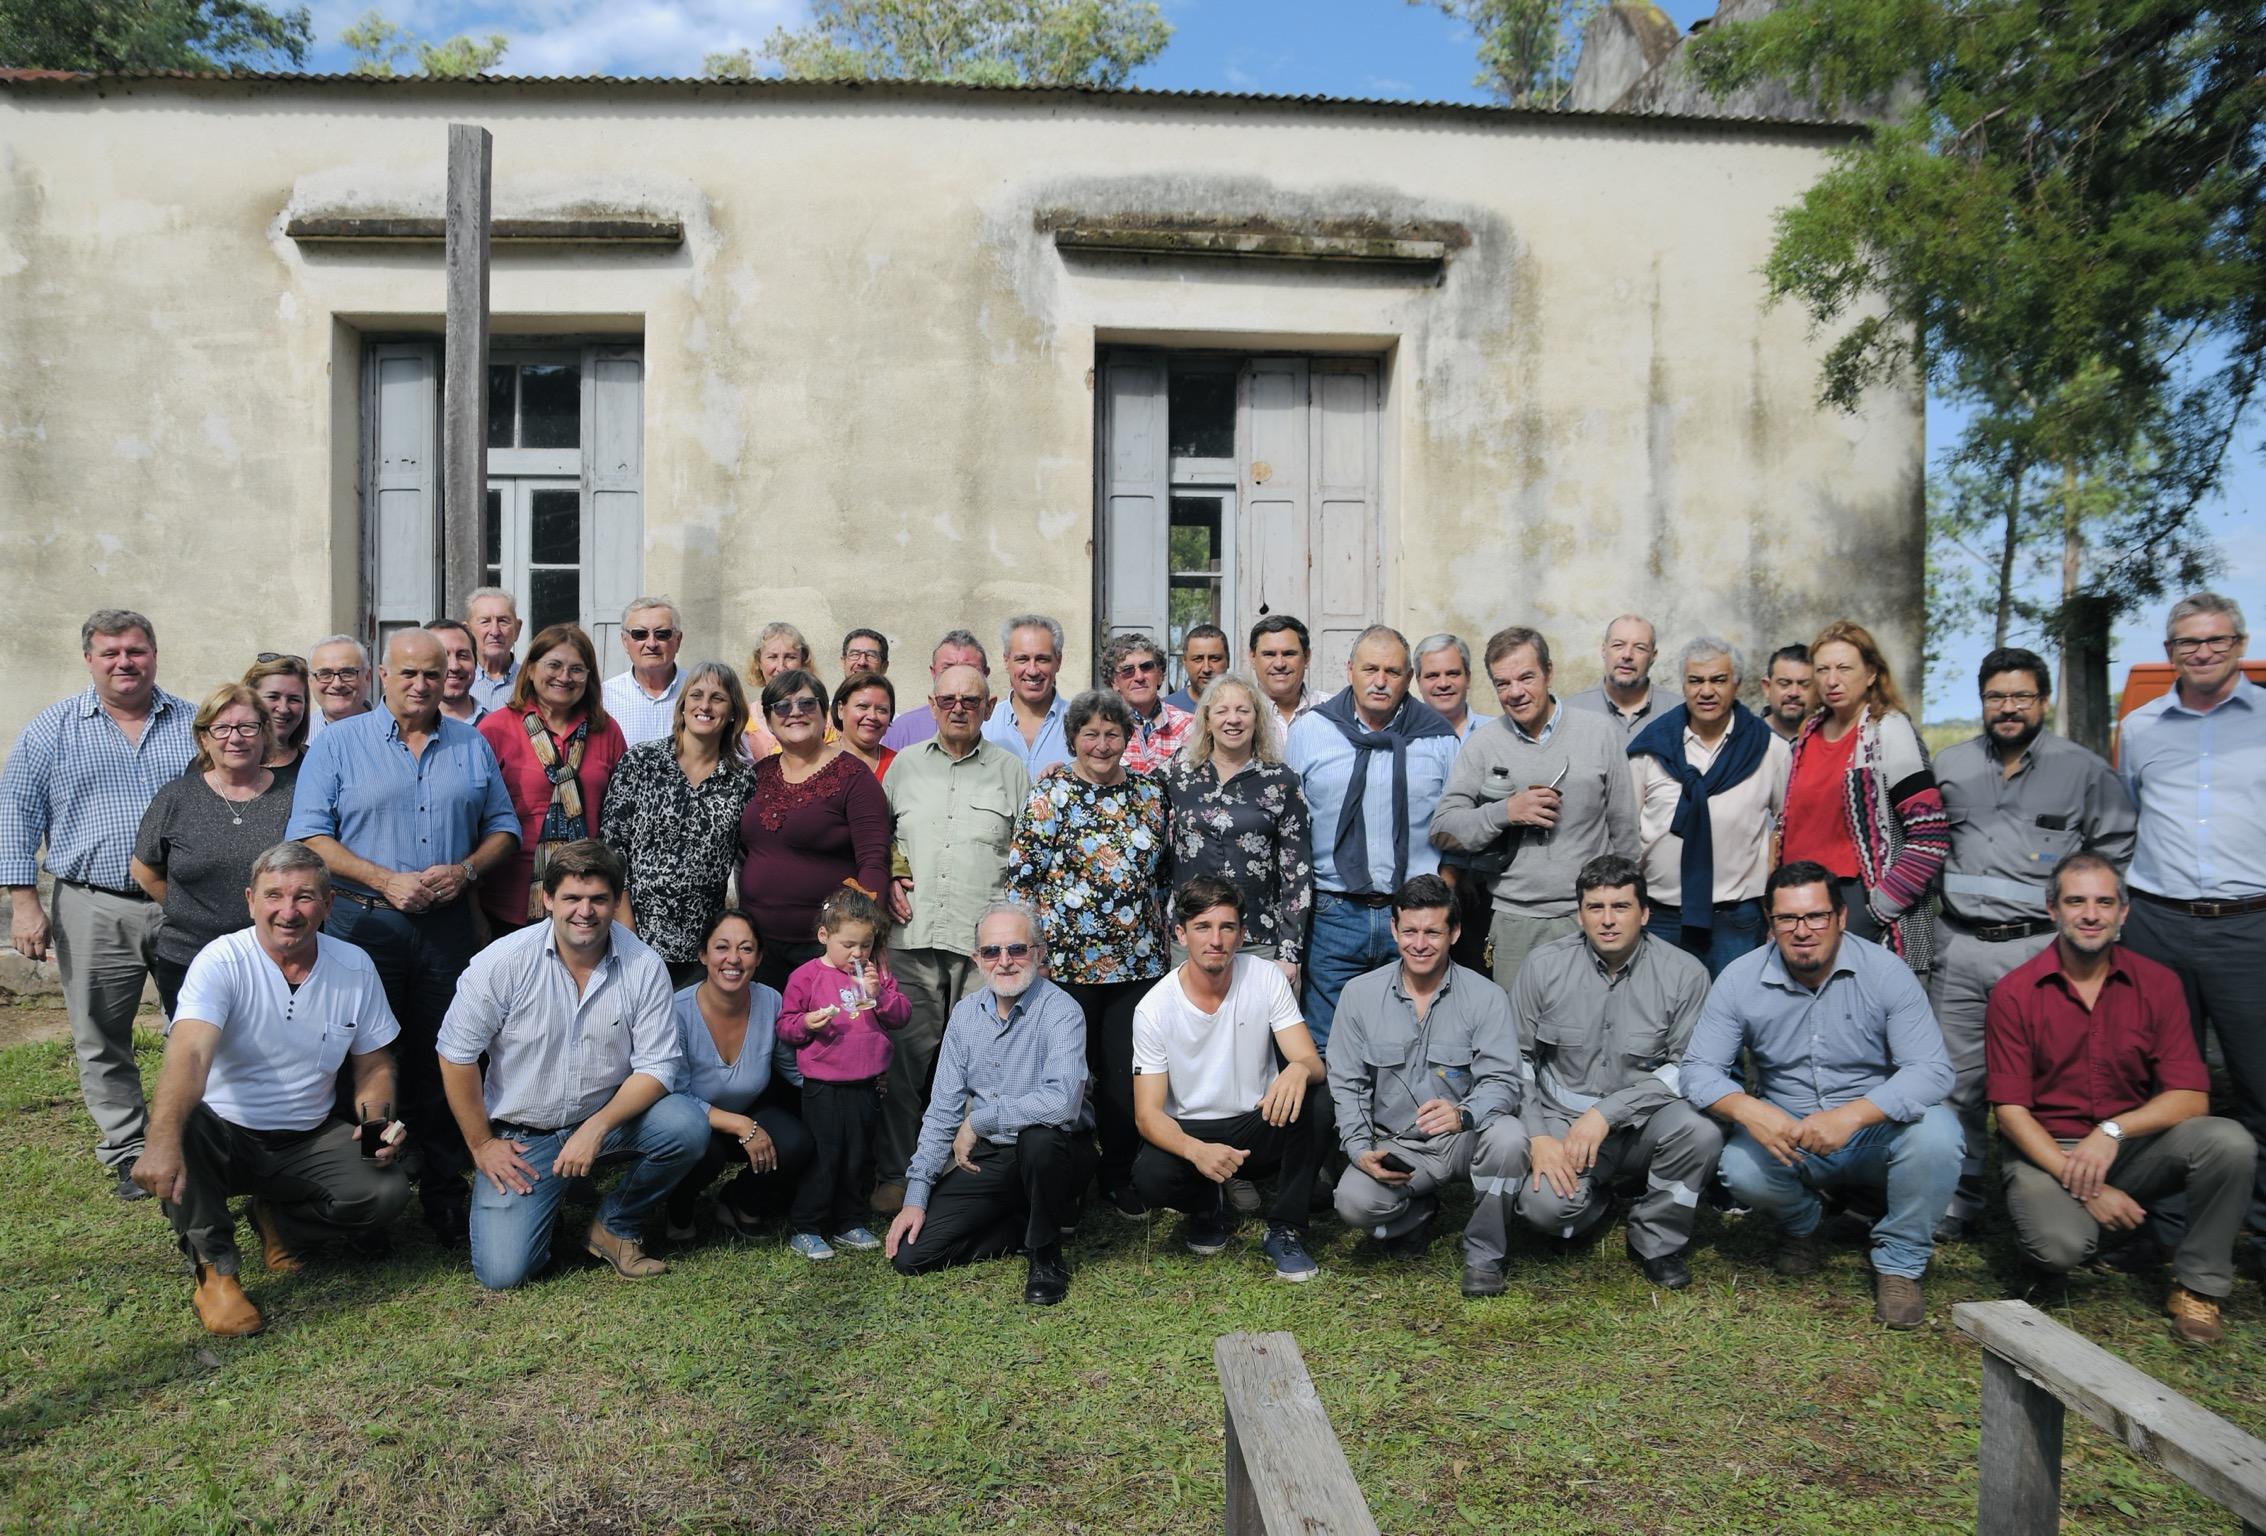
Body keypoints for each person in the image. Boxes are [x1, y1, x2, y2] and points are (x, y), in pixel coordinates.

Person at [285, 627, 519, 1242]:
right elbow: (309, 834)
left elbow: (504, 829)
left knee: (445, 1054)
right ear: (382, 676)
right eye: (408, 673)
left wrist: (467, 869)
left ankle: (444, 1188)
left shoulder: (470, 744)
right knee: (366, 1056)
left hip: (444, 927)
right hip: (362, 924)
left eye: (432, 674)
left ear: (448, 679)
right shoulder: (337, 744)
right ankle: (368, 1187)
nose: (420, 685)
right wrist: (385, 880)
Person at [130, 842, 411, 1336]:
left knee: (384, 1193)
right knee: (184, 1123)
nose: (288, 911)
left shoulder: (354, 966)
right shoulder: (222, 961)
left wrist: (373, 1128)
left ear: (327, 905)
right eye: (274, 895)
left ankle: (281, 1223)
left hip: (306, 1134)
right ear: (250, 901)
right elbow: (190, 1053)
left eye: (304, 897)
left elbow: (374, 1065)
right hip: (224, 1133)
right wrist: (159, 1139)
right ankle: (215, 1272)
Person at [1681, 862, 1961, 1329]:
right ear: (1770, 923)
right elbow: (1698, 1071)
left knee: (1938, 1136)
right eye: (1787, 919)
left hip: (1875, 1128)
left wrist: (1852, 1117)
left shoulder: (1886, 972)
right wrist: (1751, 1110)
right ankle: (1803, 1224)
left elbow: (1931, 1071)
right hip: (1790, 1133)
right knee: (1739, 1166)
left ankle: (1899, 1263)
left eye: (1816, 917)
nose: (1802, 931)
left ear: (1841, 918)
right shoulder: (1740, 978)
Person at [1986, 854, 2253, 1344]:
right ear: (2052, 910)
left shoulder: (2158, 983)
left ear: (2123, 913)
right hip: (2047, 1151)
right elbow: (2010, 1113)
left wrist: (2112, 1131)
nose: (2091, 914)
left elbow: (2192, 1097)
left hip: (2126, 1143)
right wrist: (2088, 1187)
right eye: (2076, 901)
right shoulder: (2015, 992)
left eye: (2104, 902)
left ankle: (2198, 1286)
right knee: (2060, 1250)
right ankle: (2077, 1226)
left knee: (2228, 1142)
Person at [1928, 646, 2134, 1239]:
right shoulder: (1951, 764)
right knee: (1956, 1081)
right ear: (1982, 702)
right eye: (1996, 696)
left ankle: (2047, 1197)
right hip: (1961, 946)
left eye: (2021, 696)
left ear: (2042, 701)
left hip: (2043, 950)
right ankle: (1957, 1200)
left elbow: (2114, 855)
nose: (2008, 708)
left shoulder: (2084, 770)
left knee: (2050, 1081)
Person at [437, 840, 705, 1290]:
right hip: (525, 1136)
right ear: (547, 899)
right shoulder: (501, 963)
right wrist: (482, 1146)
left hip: (610, 1121)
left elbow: (658, 1067)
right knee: (504, 1274)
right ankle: (543, 1205)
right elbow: (455, 1055)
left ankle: (615, 1226)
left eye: (599, 899)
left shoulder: (643, 965)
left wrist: (595, 1128)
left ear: (617, 901)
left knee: (686, 1125)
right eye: (572, 899)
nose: (586, 911)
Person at [1, 608, 196, 1199]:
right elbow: (16, 814)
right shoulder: (52, 728)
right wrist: (23, 904)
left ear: (154, 654)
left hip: (181, 903)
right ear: (89, 659)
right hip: (92, 904)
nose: (124, 663)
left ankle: (190, 1137)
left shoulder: (193, 723)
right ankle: (127, 1147)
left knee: (192, 1026)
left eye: (135, 651)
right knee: (99, 1034)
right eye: (110, 653)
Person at [2117, 591, 2266, 1260]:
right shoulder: (2143, 727)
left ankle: (2256, 1234)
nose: (2201, 652)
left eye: (2216, 640)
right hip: (2158, 924)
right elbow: (2129, 817)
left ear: (2240, 644)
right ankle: (2165, 1229)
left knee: (2258, 1083)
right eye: (2187, 643)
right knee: (2158, 1082)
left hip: (2249, 926)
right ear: (2169, 650)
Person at [1508, 856, 1718, 1289]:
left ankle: (1656, 1238)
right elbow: (1516, 1059)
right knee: (1545, 1210)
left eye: (1620, 907)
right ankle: (1594, 1202)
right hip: (1562, 1119)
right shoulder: (1543, 966)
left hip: (1645, 1119)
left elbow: (1688, 1068)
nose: (1607, 920)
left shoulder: (1685, 974)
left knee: (1702, 1132)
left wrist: (1608, 1112)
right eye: (1595, 907)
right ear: (1579, 913)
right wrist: (1538, 1135)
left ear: (1644, 913)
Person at [873, 663, 1030, 1215]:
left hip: (984, 949)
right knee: (905, 1062)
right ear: (932, 704)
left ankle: (962, 1173)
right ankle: (895, 1172)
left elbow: (1027, 858)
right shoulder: (904, 767)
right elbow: (881, 836)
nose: (958, 706)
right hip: (911, 937)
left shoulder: (1011, 771)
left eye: (971, 699)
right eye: (947, 698)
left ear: (988, 707)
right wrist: (891, 871)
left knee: (978, 1065)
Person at [1006, 688, 1169, 1215]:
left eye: (1113, 733)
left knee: (1124, 1078)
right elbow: (1023, 880)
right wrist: (1031, 955)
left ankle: (1120, 1174)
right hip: (1063, 966)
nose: (1101, 744)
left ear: (1128, 737)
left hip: (1136, 964)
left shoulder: (1150, 794)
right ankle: (1067, 1179)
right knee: (1066, 1076)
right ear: (1073, 737)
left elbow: (1163, 878)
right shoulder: (1050, 794)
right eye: (1090, 734)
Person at [1327, 875, 1528, 1297]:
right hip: (1398, 1144)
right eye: (1410, 931)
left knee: (1509, 1137)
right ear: (1394, 929)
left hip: (1465, 1137)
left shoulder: (1486, 997)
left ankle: (1484, 1255)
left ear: (1453, 933)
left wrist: (1463, 1114)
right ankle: (1416, 1214)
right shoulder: (1359, 995)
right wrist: (1360, 1149)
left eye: (1433, 932)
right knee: (1353, 1202)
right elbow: (1348, 1085)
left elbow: (1504, 1082)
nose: (1420, 944)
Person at [885, 902, 1094, 1306]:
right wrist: (916, 1196)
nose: (1004, 962)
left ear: (1038, 952)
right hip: (993, 1157)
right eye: (991, 952)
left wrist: (980, 1120)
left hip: (1059, 1151)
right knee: (913, 1255)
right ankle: (1025, 1222)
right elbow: (942, 1110)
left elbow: (1062, 1104)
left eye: (1016, 949)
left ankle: (1045, 1254)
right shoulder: (965, 1016)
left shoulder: (1062, 1011)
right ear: (976, 959)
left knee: (1039, 1140)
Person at [1130, 877, 1327, 1281]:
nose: (1215, 939)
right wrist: (1195, 1151)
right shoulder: (1153, 1008)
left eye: (1227, 927)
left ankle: (1285, 1227)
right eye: (1203, 927)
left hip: (1259, 1120)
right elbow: (1147, 1116)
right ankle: (1205, 1204)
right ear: (1181, 934)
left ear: (1241, 934)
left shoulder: (1266, 977)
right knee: (1149, 1177)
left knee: (1319, 1099)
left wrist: (1298, 1069)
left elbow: (1312, 1060)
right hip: (1193, 1129)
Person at [1430, 626, 1639, 990]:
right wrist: (1505, 812)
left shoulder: (1599, 733)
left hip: (1588, 914)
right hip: (1515, 920)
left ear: (1549, 672)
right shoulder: (1483, 744)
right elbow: (1444, 829)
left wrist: (1621, 911)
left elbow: (1625, 836)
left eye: (1526, 677)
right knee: (1517, 1037)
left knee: (1592, 1030)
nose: (1515, 692)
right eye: (1502, 683)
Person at [1284, 625, 1460, 1053]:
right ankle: (1338, 1123)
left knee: (1413, 1042)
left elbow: (1457, 826)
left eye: (1392, 671)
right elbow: (1289, 828)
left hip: (1416, 915)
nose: (1380, 681)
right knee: (1329, 1042)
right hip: (1334, 913)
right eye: (1370, 669)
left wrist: (1445, 893)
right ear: (1350, 671)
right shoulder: (1310, 731)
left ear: (1409, 678)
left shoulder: (1438, 738)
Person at [1780, 619, 1947, 971]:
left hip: (1857, 901)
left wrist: (1877, 909)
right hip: (1801, 903)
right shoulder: (1806, 735)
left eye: (1844, 668)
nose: (1831, 679)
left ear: (1871, 673)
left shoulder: (1888, 730)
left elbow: (1930, 836)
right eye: (1822, 669)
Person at [131, 684, 297, 1018]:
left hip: (278, 959)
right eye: (221, 728)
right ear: (204, 738)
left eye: (247, 727)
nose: (235, 738)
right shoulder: (176, 797)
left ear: (265, 733)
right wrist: (189, 910)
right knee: (198, 1060)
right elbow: (143, 868)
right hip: (190, 957)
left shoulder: (294, 796)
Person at [1626, 638, 1789, 977]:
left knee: (1735, 1018)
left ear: (1737, 684)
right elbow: (1626, 829)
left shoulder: (1769, 749)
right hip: (1661, 915)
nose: (1706, 691)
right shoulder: (1650, 749)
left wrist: (1779, 909)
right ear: (1683, 684)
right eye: (1696, 681)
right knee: (1661, 1019)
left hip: (1736, 918)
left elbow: (1789, 825)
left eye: (1718, 680)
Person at [736, 668, 891, 994]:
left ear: (825, 714)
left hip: (825, 952)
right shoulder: (757, 775)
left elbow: (874, 862)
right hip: (758, 946)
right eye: (782, 706)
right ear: (768, 719)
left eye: (806, 704)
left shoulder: (853, 777)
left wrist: (864, 941)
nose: (794, 713)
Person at [661, 910, 814, 1239]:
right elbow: (673, 1093)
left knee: (795, 1141)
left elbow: (793, 1069)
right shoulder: (677, 1010)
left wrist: (846, 1076)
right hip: (692, 1118)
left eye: (745, 948)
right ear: (703, 954)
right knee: (700, 1143)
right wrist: (740, 1125)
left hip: (747, 1111)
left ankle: (740, 1202)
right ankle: (678, 1207)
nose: (733, 959)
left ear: (759, 957)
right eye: (721, 947)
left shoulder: (770, 1000)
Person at [604, 661, 758, 987]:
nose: (705, 705)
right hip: (636, 935)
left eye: (717, 698)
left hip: (703, 946)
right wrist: (625, 924)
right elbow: (612, 847)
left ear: (732, 711)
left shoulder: (742, 780)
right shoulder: (641, 761)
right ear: (683, 705)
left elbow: (748, 857)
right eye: (697, 695)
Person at [777, 888, 909, 1258]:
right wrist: (806, 1023)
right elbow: (785, 1027)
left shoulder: (876, 973)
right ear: (824, 936)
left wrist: (878, 993)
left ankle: (849, 1220)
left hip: (867, 1083)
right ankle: (807, 1225)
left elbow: (901, 1016)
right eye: (848, 944)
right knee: (825, 1155)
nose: (857, 953)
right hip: (824, 1085)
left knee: (859, 1155)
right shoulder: (807, 976)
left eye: (865, 945)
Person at [478, 624, 629, 935]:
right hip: (509, 900)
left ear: (588, 677)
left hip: (587, 903)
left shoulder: (607, 731)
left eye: (577, 669)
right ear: (531, 669)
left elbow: (621, 819)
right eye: (554, 665)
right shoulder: (495, 729)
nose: (564, 676)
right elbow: (475, 818)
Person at [1160, 672, 1310, 979]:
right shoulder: (1179, 771)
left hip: (1257, 937)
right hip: (1191, 934)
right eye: (1222, 711)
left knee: (1255, 1026)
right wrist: (1070, 769)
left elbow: (1297, 871)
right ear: (1207, 719)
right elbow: (1132, 791)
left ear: (1257, 719)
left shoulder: (1281, 780)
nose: (1233, 719)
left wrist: (1289, 951)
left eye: (1243, 710)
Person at [983, 614, 1072, 778]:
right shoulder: (983, 725)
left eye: (1042, 659)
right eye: (1022, 659)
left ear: (1058, 662)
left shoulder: (1083, 724)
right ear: (1006, 661)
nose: (1032, 670)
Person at [882, 629, 989, 752]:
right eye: (948, 668)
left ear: (985, 674)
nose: (957, 675)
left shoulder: (1000, 728)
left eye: (969, 668)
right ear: (933, 672)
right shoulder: (903, 729)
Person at [600, 596, 686, 748]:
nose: (651, 644)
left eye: (662, 634)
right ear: (625, 641)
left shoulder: (698, 691)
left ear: (678, 640)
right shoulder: (604, 698)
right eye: (640, 634)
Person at [1106, 632, 1194, 775]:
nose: (1139, 677)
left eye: (1146, 667)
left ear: (1160, 675)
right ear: (1114, 682)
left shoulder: (1189, 726)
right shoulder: (1103, 728)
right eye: (1127, 670)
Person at [1566, 614, 1659, 735]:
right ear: (1604, 650)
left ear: (1653, 656)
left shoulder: (1680, 711)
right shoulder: (1570, 712)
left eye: (1640, 648)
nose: (1627, 655)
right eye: (1618, 645)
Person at [743, 623, 821, 759]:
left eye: (790, 657)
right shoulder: (743, 719)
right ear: (759, 663)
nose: (781, 667)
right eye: (772, 657)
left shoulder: (820, 716)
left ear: (802, 662)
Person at [1249, 615, 1319, 734]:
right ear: (1252, 658)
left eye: (1289, 654)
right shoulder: (1235, 714)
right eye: (1269, 654)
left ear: (1307, 657)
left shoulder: (1334, 710)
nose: (1279, 664)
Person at [1414, 634, 1491, 741]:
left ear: (1468, 678)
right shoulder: (1402, 739)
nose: (1443, 684)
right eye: (1433, 675)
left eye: (1452, 674)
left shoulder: (1497, 733)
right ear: (1419, 683)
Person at [242, 652, 312, 770]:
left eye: (294, 699)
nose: (283, 709)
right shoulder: (222, 760)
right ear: (248, 698)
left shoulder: (316, 762)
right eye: (273, 697)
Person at [465, 587, 523, 713]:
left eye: (503, 621)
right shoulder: (456, 682)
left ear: (517, 629)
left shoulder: (531, 681)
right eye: (485, 622)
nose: (494, 632)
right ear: (467, 631)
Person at [833, 670, 898, 779]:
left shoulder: (899, 765)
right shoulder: (815, 760)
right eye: (863, 706)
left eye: (882, 710)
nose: (872, 716)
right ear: (841, 709)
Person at [306, 635, 372, 736]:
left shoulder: (396, 733)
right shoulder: (298, 736)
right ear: (310, 681)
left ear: (367, 677)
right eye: (325, 674)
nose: (337, 684)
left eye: (347, 673)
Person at [427, 619, 486, 725]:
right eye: (443, 656)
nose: (454, 666)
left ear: (475, 662)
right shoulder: (404, 729)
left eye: (462, 655)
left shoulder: (495, 728)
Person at [1165, 623, 1229, 713]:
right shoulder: (1166, 710)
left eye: (1214, 658)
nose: (1206, 669)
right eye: (1198, 659)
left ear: (1228, 660)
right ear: (1185, 662)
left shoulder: (1244, 706)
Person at [1761, 644, 1817, 744]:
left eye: (1804, 684)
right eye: (1784, 683)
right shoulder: (1744, 737)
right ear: (1767, 687)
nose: (1794, 693)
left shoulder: (1832, 737)